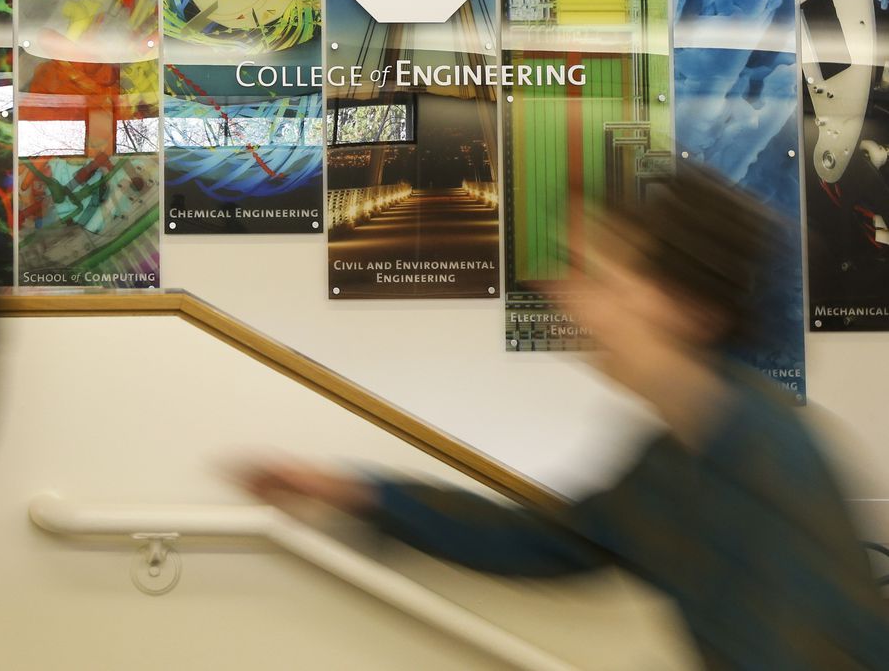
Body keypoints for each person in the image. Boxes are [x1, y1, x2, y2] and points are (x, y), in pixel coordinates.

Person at [241, 165, 889, 670]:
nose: (566, 294)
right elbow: (548, 543)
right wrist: (360, 492)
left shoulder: (758, 448)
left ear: (680, 302)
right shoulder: (674, 456)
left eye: (597, 273)